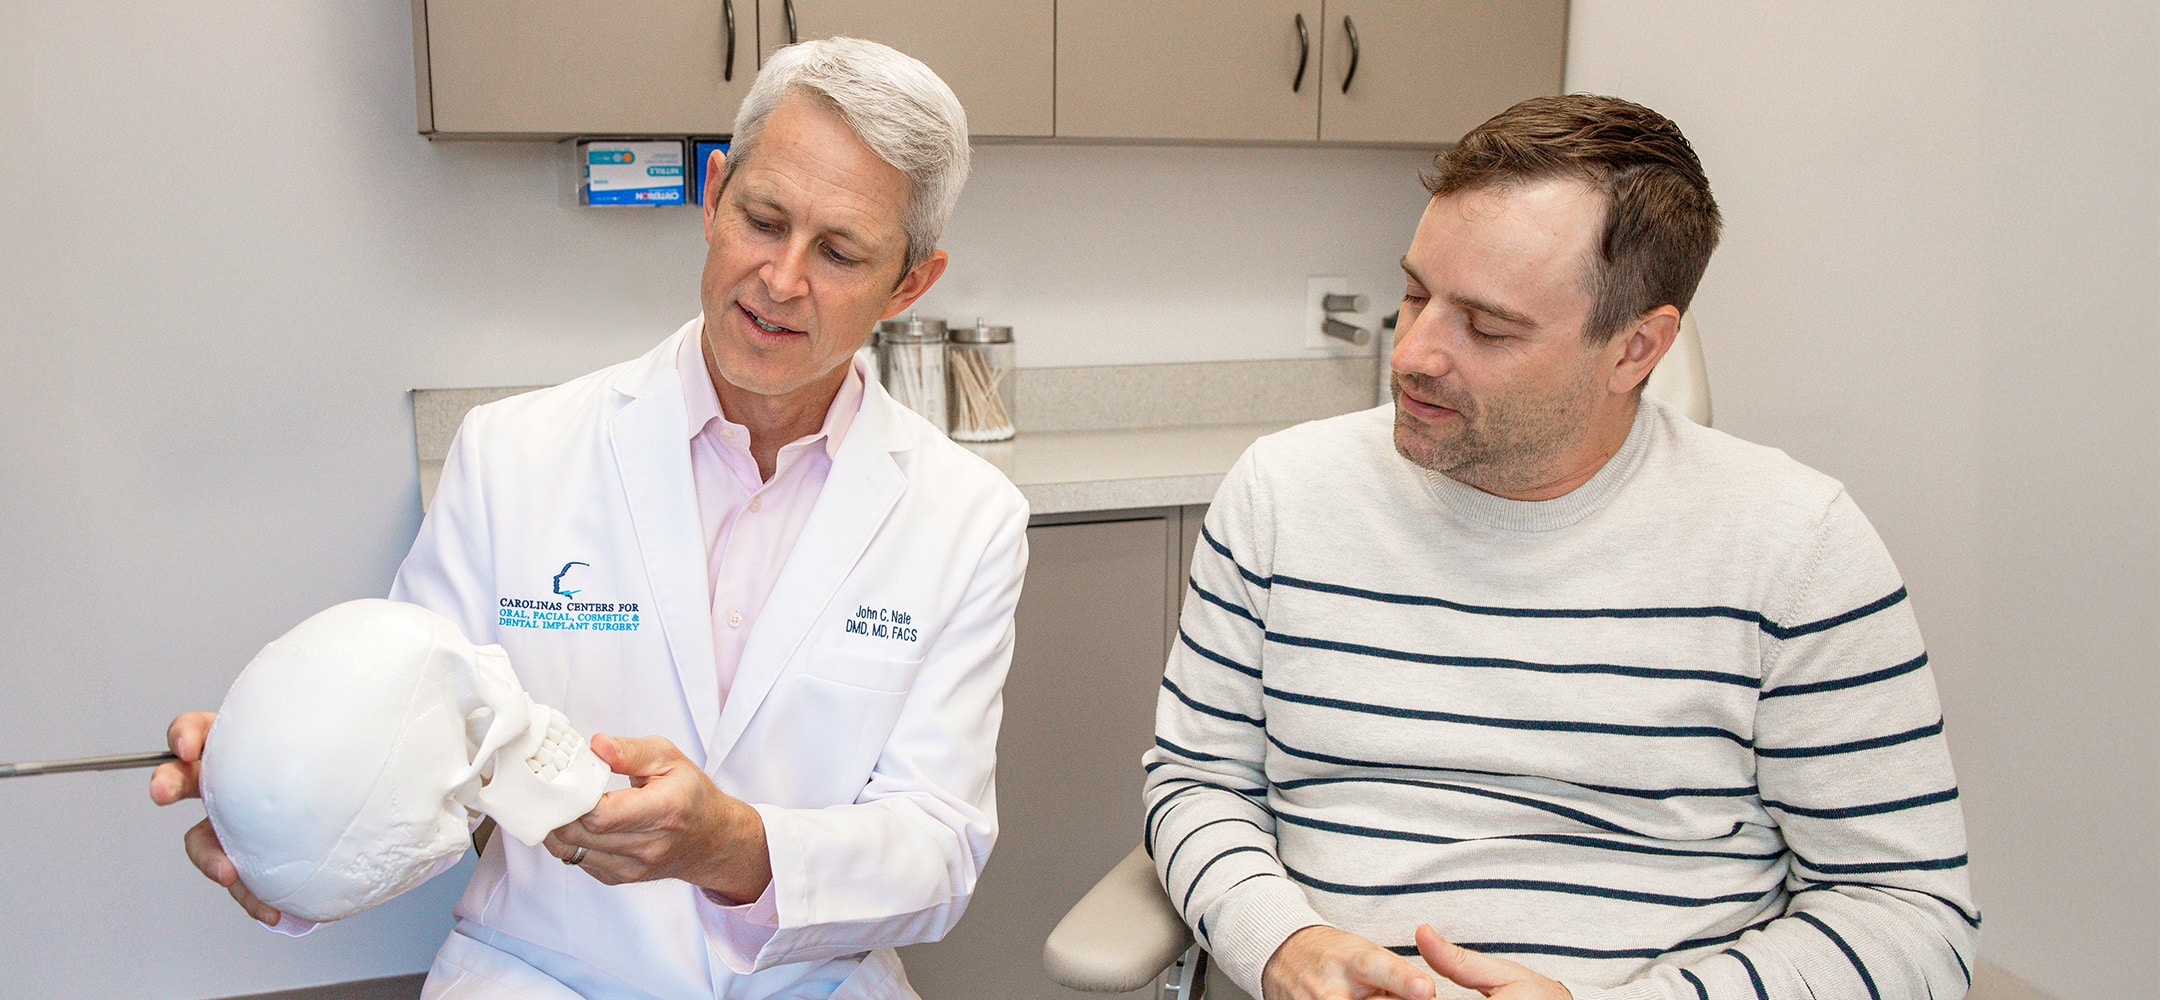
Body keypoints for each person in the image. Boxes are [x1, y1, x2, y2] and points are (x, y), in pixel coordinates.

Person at [150, 37, 1029, 999]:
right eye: (762, 219)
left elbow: (937, 849)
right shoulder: (513, 457)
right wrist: (284, 805)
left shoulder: (965, 518)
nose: (779, 279)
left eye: (838, 251)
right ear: (714, 195)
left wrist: (733, 846)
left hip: (809, 984)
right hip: (540, 974)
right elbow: (410, 751)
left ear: (911, 281)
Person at [1145, 94, 1976, 1000]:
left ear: (1636, 349)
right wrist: (1284, 945)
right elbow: (1197, 782)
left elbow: (1909, 915)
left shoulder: (1797, 549)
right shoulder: (1283, 494)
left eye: (1488, 327)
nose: (1414, 353)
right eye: (1417, 292)